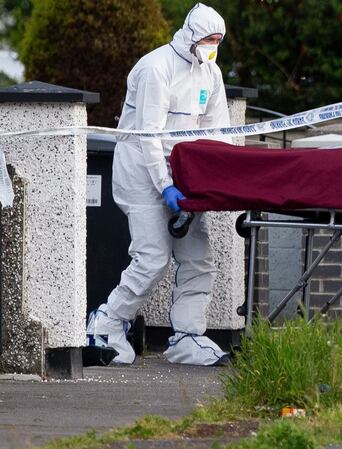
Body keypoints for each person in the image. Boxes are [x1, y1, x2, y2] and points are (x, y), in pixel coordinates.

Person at [86, 3, 231, 366]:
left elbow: (219, 132)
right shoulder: (156, 68)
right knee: (152, 258)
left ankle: (187, 336)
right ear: (191, 35)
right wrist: (166, 186)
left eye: (218, 40)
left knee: (199, 259)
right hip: (140, 170)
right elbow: (149, 135)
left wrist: (214, 178)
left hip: (184, 174)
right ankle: (105, 324)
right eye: (209, 39)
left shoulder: (211, 73)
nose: (213, 46)